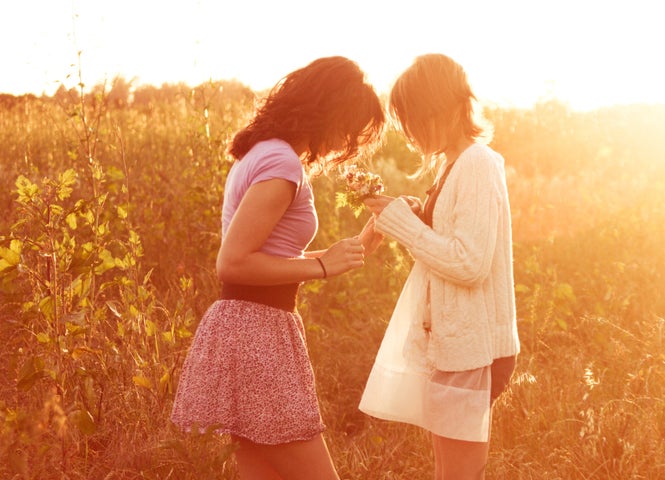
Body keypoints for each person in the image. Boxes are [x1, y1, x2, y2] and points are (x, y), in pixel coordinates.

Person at [171, 56, 385, 480]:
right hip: (257, 334)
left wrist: (353, 249)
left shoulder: (264, 153)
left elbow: (266, 253)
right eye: (348, 127)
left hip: (252, 328)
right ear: (328, 111)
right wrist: (322, 266)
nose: (346, 142)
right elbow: (233, 264)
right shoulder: (282, 164)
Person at [358, 53, 520, 480]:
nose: (409, 133)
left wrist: (402, 224)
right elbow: (451, 239)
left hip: (474, 349)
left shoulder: (478, 165)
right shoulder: (454, 165)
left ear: (443, 109)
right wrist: (416, 213)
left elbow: (469, 263)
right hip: (453, 344)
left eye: (414, 118)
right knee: (447, 473)